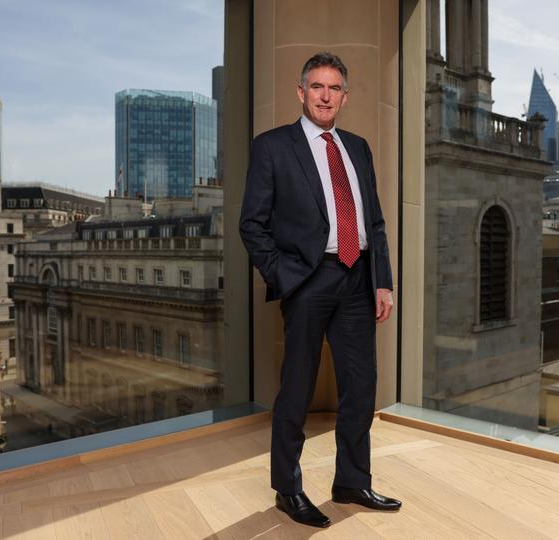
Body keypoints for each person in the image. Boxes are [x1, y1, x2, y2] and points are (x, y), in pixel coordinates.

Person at [239, 51, 401, 528]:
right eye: (316, 87)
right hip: (308, 280)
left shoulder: (358, 146)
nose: (325, 96)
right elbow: (252, 224)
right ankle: (287, 490)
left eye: (334, 88)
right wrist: (287, 277)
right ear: (301, 92)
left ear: (344, 96)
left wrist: (383, 280)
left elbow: (374, 220)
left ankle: (351, 480)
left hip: (357, 276)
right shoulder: (272, 146)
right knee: (297, 390)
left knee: (361, 386)